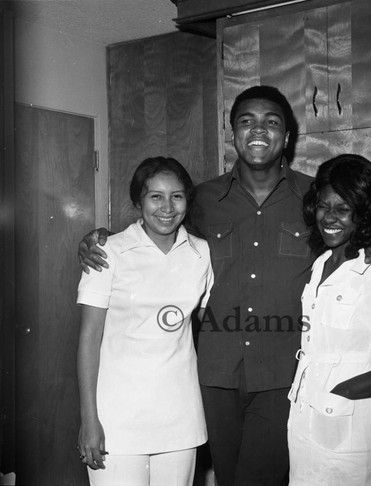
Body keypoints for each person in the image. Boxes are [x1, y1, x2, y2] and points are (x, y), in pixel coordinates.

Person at [78, 86, 371, 486]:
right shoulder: (202, 199)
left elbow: (350, 227)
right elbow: (158, 230)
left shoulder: (314, 196)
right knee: (229, 477)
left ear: (287, 136)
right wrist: (102, 238)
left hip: (282, 376)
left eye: (272, 122)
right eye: (246, 120)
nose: (258, 130)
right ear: (232, 132)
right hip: (214, 375)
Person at [287, 154, 371, 486]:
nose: (329, 217)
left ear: (363, 213)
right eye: (323, 206)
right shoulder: (321, 262)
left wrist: (345, 390)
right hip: (306, 412)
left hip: (352, 415)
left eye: (343, 209)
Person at [76, 157, 214, 486]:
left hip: (180, 416)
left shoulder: (202, 253)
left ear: (187, 201)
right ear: (138, 201)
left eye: (177, 196)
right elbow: (89, 339)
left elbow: (213, 323)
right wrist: (88, 419)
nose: (167, 207)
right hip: (117, 418)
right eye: (155, 196)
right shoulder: (108, 251)